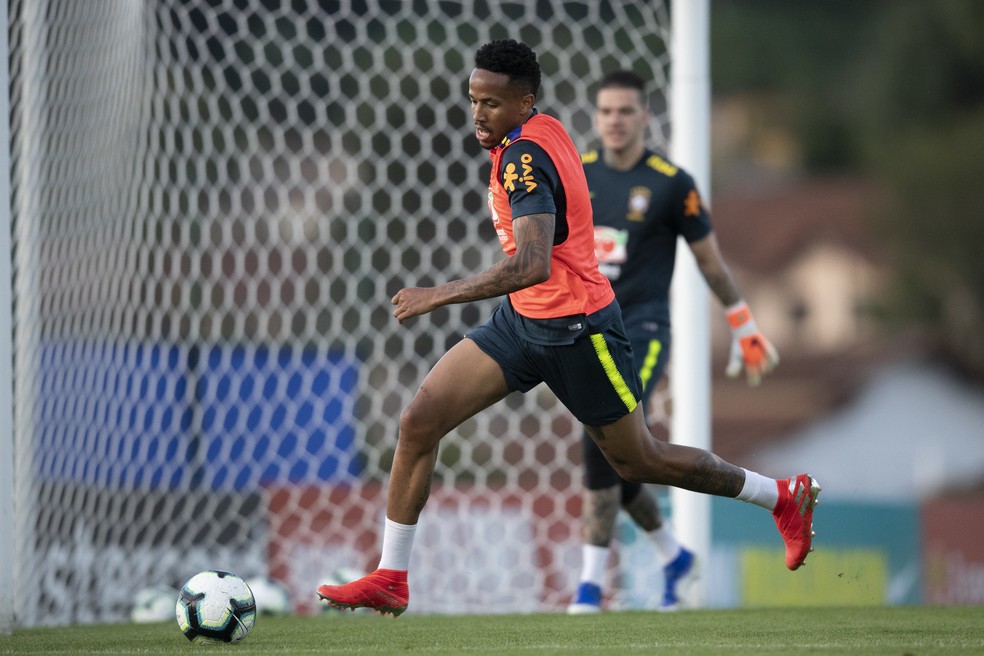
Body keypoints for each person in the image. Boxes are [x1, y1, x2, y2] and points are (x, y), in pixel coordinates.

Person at [316, 39, 819, 618]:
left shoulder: (523, 160)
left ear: (524, 102)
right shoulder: (541, 128)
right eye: (473, 100)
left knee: (639, 460)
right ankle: (391, 576)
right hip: (522, 323)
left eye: (491, 103)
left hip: (579, 331)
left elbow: (532, 264)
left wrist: (439, 294)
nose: (478, 113)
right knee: (419, 419)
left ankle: (780, 497)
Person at [567, 70, 780, 614]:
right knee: (623, 453)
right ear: (596, 117)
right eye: (606, 111)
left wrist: (743, 324)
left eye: (625, 111)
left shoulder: (671, 183)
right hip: (585, 330)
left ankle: (590, 587)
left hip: (642, 329)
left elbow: (709, 261)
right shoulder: (576, 174)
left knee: (602, 436)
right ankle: (674, 556)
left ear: (644, 116)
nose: (615, 120)